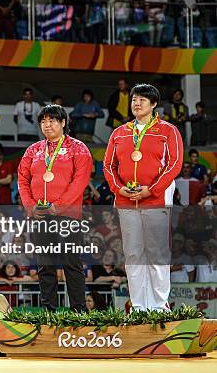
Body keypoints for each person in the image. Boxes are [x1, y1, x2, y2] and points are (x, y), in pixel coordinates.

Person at [103, 84, 183, 311]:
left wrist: (153, 189)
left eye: (142, 99)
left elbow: (174, 165)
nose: (137, 103)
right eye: (134, 99)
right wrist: (118, 189)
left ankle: (159, 306)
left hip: (155, 199)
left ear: (154, 104)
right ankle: (139, 306)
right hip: (126, 200)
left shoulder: (168, 131)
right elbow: (108, 166)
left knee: (157, 252)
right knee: (133, 253)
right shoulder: (119, 133)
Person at [17, 104, 93, 311]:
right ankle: (48, 310)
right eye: (43, 121)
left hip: (68, 215)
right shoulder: (33, 150)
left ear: (63, 122)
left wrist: (56, 207)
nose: (47, 125)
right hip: (39, 216)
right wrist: (31, 207)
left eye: (51, 120)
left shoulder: (78, 148)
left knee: (72, 264)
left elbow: (80, 182)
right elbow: (22, 180)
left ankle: (79, 311)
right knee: (45, 265)